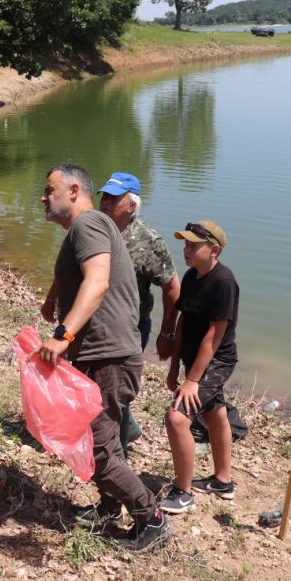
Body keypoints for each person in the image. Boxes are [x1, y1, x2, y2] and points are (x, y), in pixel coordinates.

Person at [37, 164, 169, 552]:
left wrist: (63, 335)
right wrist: (55, 303)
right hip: (104, 354)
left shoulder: (88, 224)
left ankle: (151, 517)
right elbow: (82, 279)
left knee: (97, 447)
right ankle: (110, 508)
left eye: (50, 190)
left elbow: (97, 281)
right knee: (105, 442)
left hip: (109, 357)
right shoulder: (89, 227)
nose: (43, 197)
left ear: (74, 189)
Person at [158, 220, 240, 515]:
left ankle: (183, 492)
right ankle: (222, 481)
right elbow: (183, 323)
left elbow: (214, 336)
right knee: (214, 411)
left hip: (217, 360)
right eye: (185, 244)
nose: (186, 250)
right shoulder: (192, 277)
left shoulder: (224, 283)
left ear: (214, 249)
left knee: (177, 418)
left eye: (193, 245)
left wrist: (192, 380)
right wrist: (173, 368)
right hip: (194, 360)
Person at [97, 172, 180, 455]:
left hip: (130, 327)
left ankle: (116, 451)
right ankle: (122, 429)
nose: (106, 202)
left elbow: (171, 286)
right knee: (97, 383)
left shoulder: (147, 240)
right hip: (95, 322)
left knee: (117, 388)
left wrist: (167, 333)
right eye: (104, 196)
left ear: (132, 205)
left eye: (114, 198)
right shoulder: (95, 229)